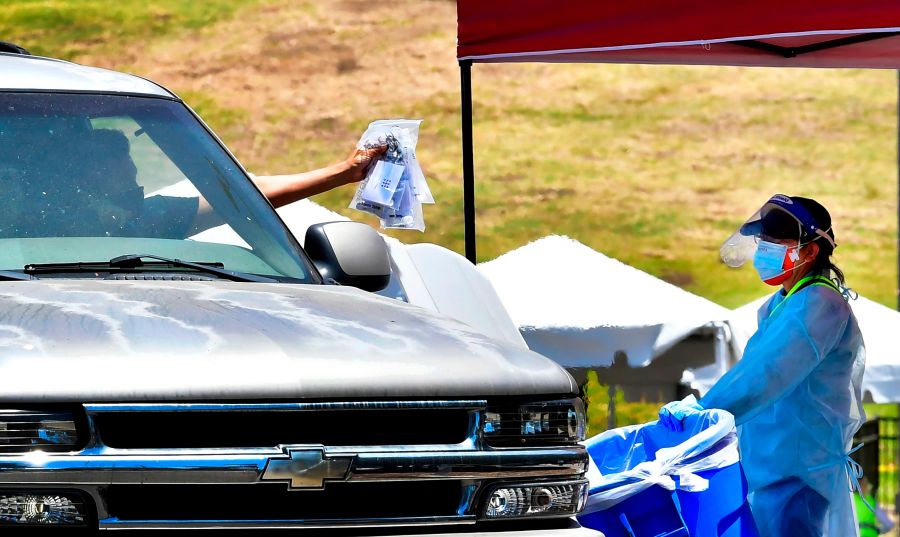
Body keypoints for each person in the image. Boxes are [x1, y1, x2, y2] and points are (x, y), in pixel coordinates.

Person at [658, 194, 866, 537]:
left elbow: (766, 374)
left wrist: (705, 411)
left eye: (777, 240)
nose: (765, 248)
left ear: (810, 251)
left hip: (798, 469)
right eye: (764, 239)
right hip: (773, 465)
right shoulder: (785, 302)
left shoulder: (818, 303)